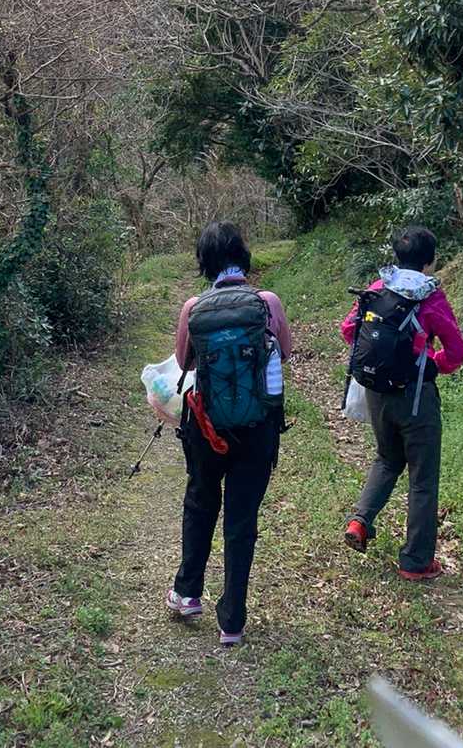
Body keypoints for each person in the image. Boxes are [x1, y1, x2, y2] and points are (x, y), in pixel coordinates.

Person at [167, 221, 292, 647]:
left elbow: (184, 362)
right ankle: (232, 622)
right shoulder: (267, 302)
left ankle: (187, 593)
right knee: (241, 519)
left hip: (206, 426)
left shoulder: (194, 307)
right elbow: (285, 352)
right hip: (258, 428)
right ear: (243, 256)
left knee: (201, 502)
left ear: (205, 262)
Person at [340, 225, 463, 581]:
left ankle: (359, 521)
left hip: (377, 393)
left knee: (387, 458)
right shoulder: (430, 296)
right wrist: (431, 363)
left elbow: (349, 330)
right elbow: (457, 351)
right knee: (422, 478)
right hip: (415, 399)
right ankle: (416, 562)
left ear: (397, 255)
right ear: (430, 260)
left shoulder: (378, 287)